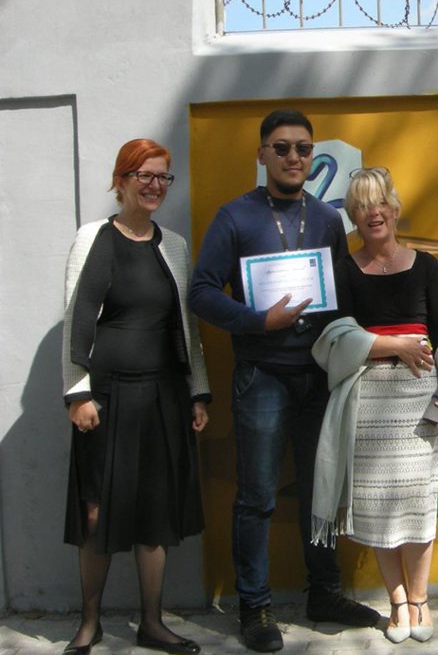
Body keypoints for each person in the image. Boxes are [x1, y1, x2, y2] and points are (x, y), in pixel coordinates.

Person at [188, 110, 379, 652]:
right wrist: (257, 321)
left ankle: (324, 594)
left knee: (322, 491)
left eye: (302, 148)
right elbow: (201, 292)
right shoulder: (234, 217)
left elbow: (341, 295)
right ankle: (255, 608)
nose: (293, 157)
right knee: (257, 497)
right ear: (262, 154)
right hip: (262, 376)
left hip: (318, 375)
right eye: (281, 148)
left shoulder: (326, 219)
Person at [61, 139, 210, 655]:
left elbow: (186, 327)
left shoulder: (175, 246)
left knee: (155, 515)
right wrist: (77, 393)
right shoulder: (93, 238)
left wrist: (197, 391)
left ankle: (152, 623)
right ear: (121, 181)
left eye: (163, 177)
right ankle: (90, 623)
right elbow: (77, 317)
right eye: (144, 175)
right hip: (105, 399)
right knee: (96, 513)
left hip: (163, 398)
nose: (154, 185)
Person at [310, 167, 438, 644]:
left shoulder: (425, 266)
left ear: (394, 209)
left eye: (379, 202)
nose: (372, 212)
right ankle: (397, 602)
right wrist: (394, 345)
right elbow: (337, 337)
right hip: (367, 401)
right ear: (353, 217)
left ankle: (420, 599)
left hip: (419, 397)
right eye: (361, 206)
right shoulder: (344, 270)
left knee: (418, 505)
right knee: (377, 507)